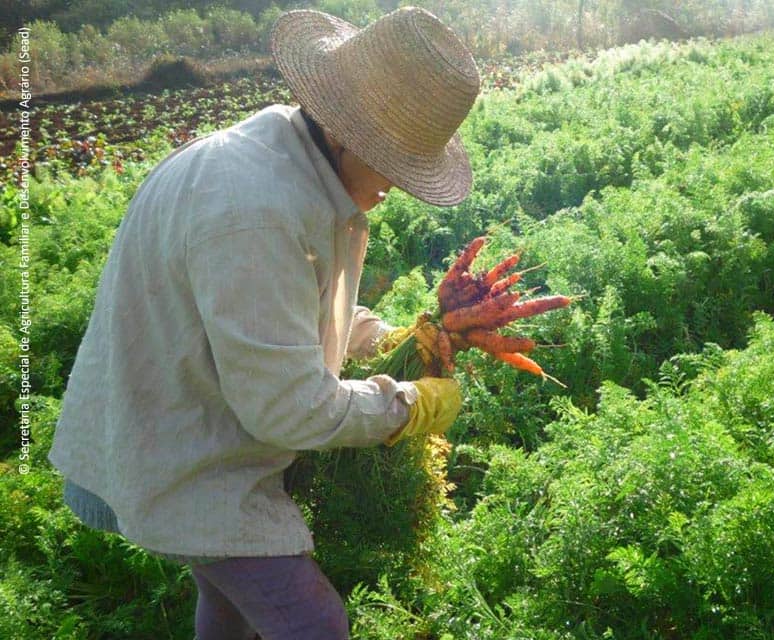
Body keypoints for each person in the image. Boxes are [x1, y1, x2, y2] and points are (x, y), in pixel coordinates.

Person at [47, 7, 480, 639]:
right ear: (349, 134)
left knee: (229, 610)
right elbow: (288, 408)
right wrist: (406, 406)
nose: (396, 185)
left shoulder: (284, 162)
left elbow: (291, 305)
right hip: (180, 455)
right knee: (314, 624)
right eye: (395, 163)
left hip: (191, 425)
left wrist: (380, 340)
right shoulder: (255, 211)